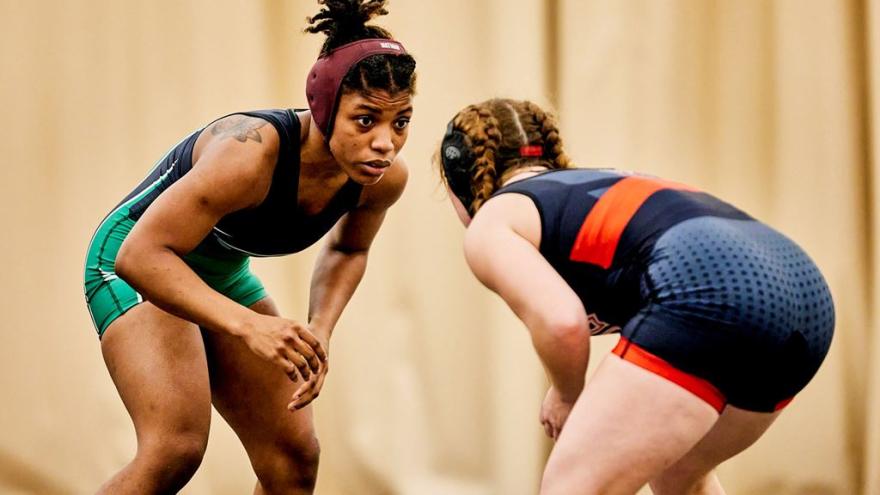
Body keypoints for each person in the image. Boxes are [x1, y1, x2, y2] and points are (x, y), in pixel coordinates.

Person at [82, 1, 416, 493]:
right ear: (324, 109)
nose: (386, 143)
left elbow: (349, 251)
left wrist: (320, 329)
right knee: (176, 447)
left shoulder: (380, 182)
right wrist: (248, 325)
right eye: (365, 121)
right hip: (133, 258)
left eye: (401, 122)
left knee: (293, 460)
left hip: (217, 267)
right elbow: (141, 256)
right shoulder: (247, 154)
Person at [437, 98, 835, 495]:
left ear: (459, 181)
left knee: (570, 486)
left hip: (714, 289)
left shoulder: (493, 222)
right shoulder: (591, 185)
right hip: (804, 298)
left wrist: (567, 395)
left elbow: (562, 322)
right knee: (680, 476)